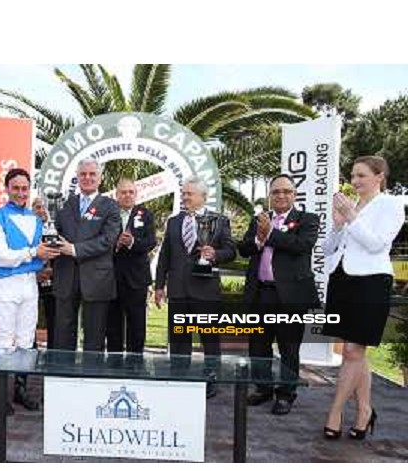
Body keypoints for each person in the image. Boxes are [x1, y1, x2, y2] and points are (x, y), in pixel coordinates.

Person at [322, 156, 405, 440]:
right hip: (342, 281)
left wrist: (352, 217)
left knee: (353, 352)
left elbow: (377, 244)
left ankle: (335, 412)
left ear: (379, 176)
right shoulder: (351, 206)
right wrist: (336, 225)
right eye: (352, 176)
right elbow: (327, 249)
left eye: (361, 176)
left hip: (371, 282)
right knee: (357, 352)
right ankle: (365, 411)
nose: (354, 181)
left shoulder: (391, 205)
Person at [238, 174, 320, 415]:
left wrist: (270, 234)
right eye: (276, 192)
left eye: (286, 191)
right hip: (261, 293)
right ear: (270, 196)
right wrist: (258, 238)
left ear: (294, 195)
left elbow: (301, 246)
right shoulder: (259, 220)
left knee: (289, 348)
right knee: (258, 347)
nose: (281, 195)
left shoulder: (307, 219)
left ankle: (286, 394)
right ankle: (263, 389)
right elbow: (244, 250)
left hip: (291, 297)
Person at [0, 168, 60, 411]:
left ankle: (19, 390)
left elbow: (42, 253)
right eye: (15, 188)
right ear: (7, 189)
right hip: (7, 284)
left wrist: (46, 256)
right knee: (5, 340)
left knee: (27, 341)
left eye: (24, 188)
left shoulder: (36, 219)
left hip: (30, 284)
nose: (20, 193)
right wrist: (32, 254)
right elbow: (0, 256)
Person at [155, 176, 236, 397]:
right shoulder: (173, 221)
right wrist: (159, 285)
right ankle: (179, 375)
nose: (185, 197)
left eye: (189, 194)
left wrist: (215, 255)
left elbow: (231, 251)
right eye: (183, 193)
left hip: (206, 291)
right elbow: (165, 255)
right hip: (178, 290)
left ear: (203, 197)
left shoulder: (219, 221)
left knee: (209, 339)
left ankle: (211, 379)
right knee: (179, 337)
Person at [53, 158, 120, 351]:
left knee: (94, 336)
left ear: (100, 178)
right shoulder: (64, 204)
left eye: (92, 174)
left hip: (97, 279)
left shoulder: (110, 206)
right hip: (66, 276)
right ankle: (63, 377)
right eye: (83, 174)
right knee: (63, 334)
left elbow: (108, 240)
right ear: (77, 177)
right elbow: (55, 232)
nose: (87, 178)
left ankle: (91, 377)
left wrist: (74, 249)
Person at [106, 179, 157, 353]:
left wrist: (132, 242)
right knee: (113, 325)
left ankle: (135, 364)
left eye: (131, 192)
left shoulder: (146, 214)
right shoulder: (108, 213)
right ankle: (114, 363)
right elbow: (99, 242)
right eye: (123, 192)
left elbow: (151, 242)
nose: (127, 195)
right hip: (112, 278)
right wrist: (116, 244)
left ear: (136, 194)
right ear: (116, 195)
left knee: (137, 325)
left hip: (137, 280)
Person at [32, 196, 56, 349]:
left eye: (44, 207)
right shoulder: (27, 230)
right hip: (31, 279)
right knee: (30, 319)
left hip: (53, 279)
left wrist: (52, 270)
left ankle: (53, 353)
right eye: (38, 207)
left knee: (53, 317)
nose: (41, 210)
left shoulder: (55, 228)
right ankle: (30, 351)